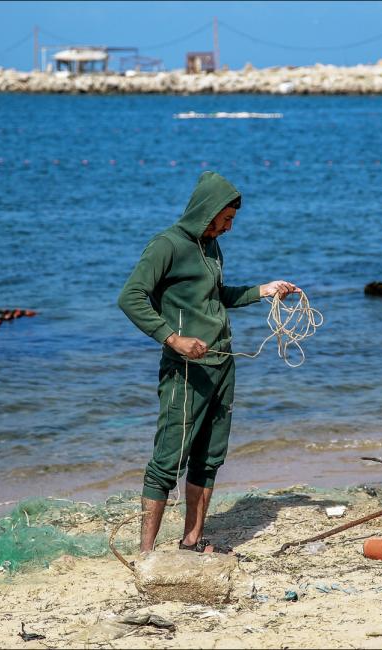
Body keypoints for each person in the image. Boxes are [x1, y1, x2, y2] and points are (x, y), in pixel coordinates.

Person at [118, 171, 298, 554]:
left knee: (209, 457)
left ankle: (192, 541)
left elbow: (217, 296)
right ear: (208, 212)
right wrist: (173, 338)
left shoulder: (212, 246)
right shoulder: (166, 245)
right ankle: (146, 553)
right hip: (187, 370)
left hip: (223, 363)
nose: (230, 228)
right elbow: (131, 297)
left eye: (233, 220)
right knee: (168, 458)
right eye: (227, 220)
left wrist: (263, 291)